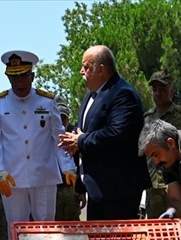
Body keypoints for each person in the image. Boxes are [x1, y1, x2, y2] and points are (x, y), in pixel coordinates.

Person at [0, 50, 76, 240]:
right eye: (14, 77)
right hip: (12, 178)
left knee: (45, 228)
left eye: (23, 76)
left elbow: (58, 135)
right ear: (8, 78)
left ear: (32, 76)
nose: (19, 82)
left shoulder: (47, 100)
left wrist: (68, 167)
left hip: (43, 175)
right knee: (15, 228)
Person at [59, 45, 148, 221]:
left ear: (100, 69)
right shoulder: (90, 96)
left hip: (118, 190)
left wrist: (81, 140)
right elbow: (85, 132)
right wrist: (74, 141)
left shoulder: (123, 94)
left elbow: (117, 133)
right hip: (97, 189)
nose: (80, 72)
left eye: (85, 66)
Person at [143, 70, 181, 220]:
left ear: (171, 91)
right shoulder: (147, 118)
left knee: (180, 227)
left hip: (177, 182)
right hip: (153, 186)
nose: (158, 93)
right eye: (155, 89)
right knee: (155, 230)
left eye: (162, 89)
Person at [54, 100, 83, 222]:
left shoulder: (75, 135)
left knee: (74, 224)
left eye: (64, 118)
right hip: (53, 189)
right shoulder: (47, 133)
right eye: (58, 118)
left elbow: (81, 164)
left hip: (71, 190)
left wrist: (81, 191)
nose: (61, 121)